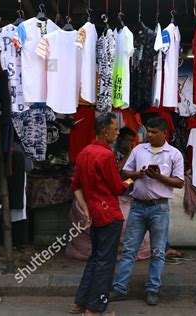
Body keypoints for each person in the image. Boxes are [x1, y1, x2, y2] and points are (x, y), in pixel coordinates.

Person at [109, 117, 184, 306]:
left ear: (164, 133)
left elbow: (180, 182)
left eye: (154, 132)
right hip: (138, 206)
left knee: (158, 252)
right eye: (148, 131)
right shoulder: (138, 150)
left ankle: (152, 290)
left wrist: (159, 177)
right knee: (129, 251)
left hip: (160, 208)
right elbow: (125, 173)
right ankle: (119, 289)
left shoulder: (174, 154)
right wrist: (139, 174)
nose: (149, 135)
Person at [69, 113, 133, 315]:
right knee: (106, 263)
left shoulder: (84, 152)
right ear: (105, 131)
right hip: (109, 215)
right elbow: (117, 188)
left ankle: (80, 303)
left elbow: (76, 185)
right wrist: (130, 181)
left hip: (96, 215)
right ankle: (95, 309)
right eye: (115, 129)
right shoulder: (105, 156)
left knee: (95, 258)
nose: (117, 132)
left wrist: (87, 210)